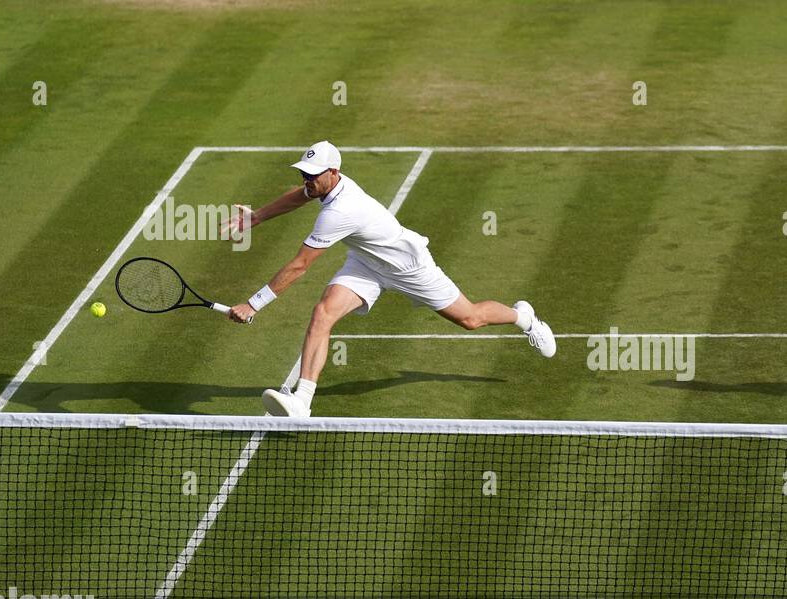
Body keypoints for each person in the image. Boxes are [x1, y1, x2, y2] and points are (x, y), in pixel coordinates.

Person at [222, 141, 556, 417]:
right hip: (366, 264)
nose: (307, 180)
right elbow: (300, 195)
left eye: (312, 175)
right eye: (304, 173)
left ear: (333, 172)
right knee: (323, 312)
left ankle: (524, 317)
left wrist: (254, 304)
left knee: (470, 318)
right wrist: (259, 216)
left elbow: (299, 266)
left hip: (408, 267)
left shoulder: (339, 212)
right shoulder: (324, 186)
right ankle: (302, 401)